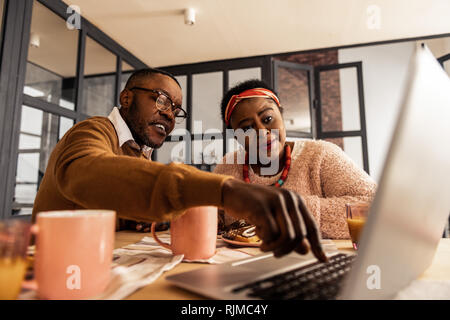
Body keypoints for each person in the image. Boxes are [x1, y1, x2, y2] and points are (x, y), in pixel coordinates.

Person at [31, 69, 327, 261]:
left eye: (176, 110)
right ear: (126, 97)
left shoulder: (138, 153)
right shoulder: (91, 131)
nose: (170, 116)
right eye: (161, 101)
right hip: (55, 270)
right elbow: (88, 174)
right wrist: (224, 190)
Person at [214, 79, 377, 239]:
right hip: (243, 264)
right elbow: (211, 218)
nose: (262, 132)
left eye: (267, 119)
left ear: (281, 114)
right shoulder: (227, 169)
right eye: (247, 128)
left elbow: (373, 206)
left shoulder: (321, 155)